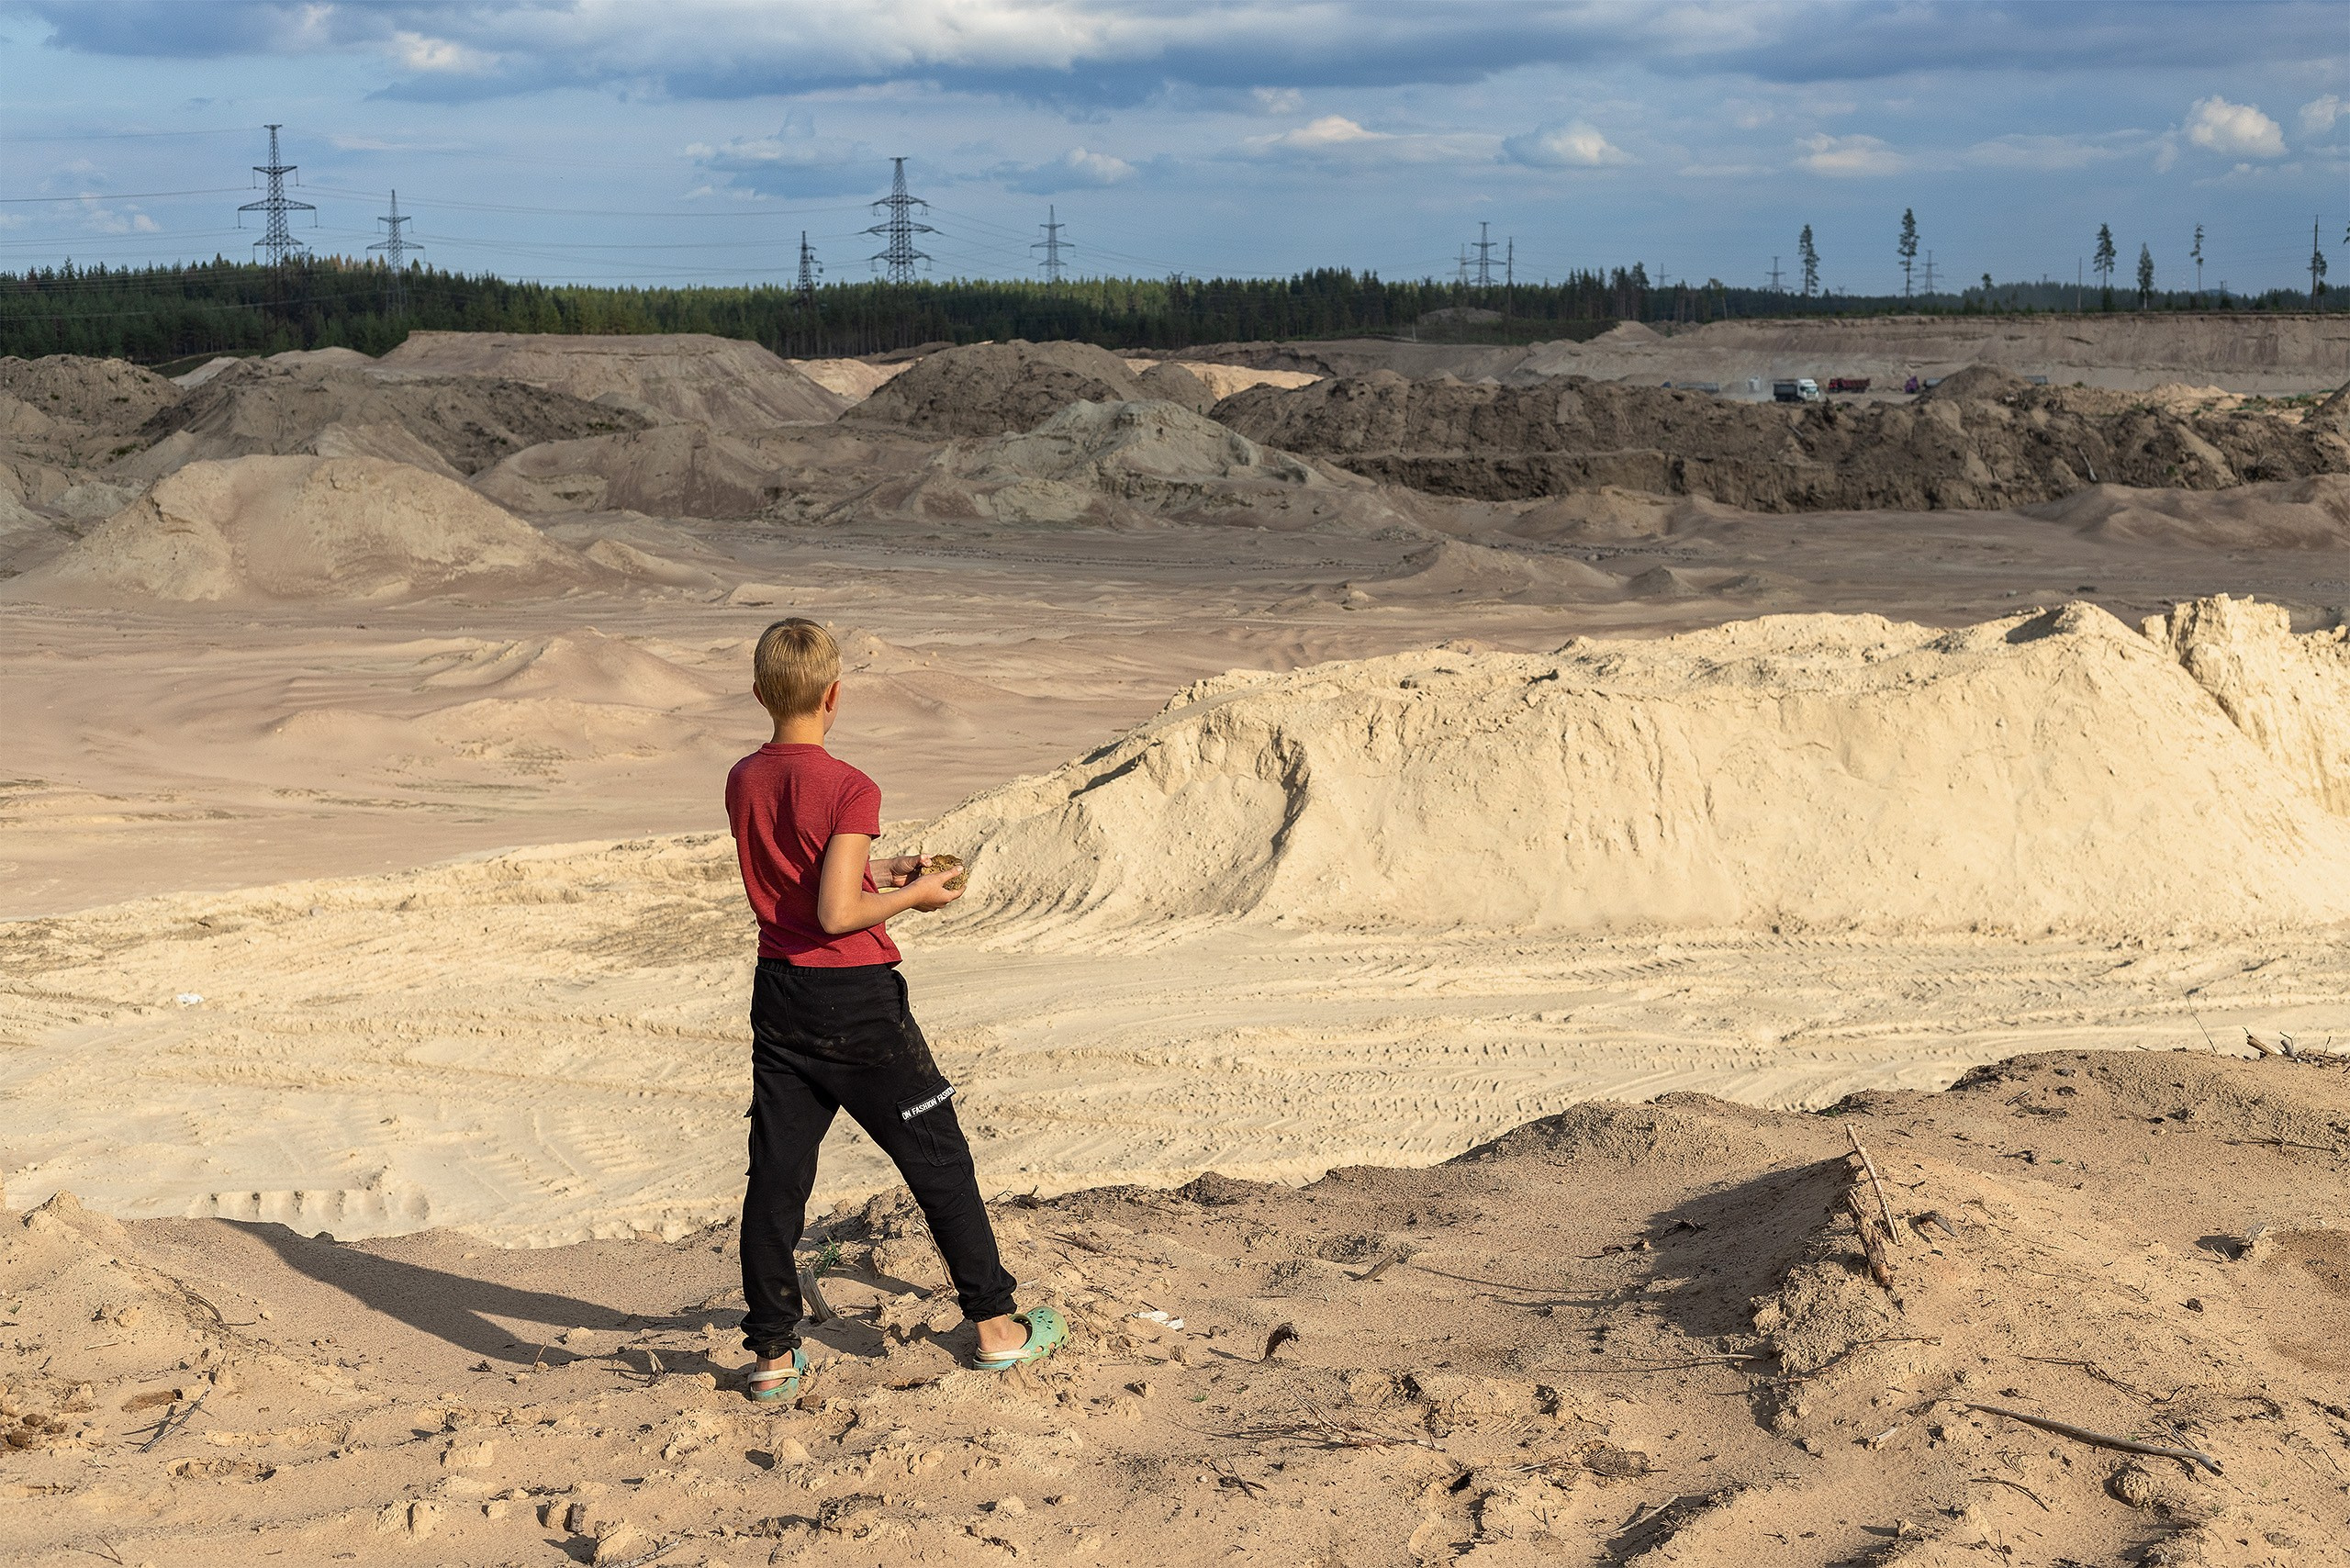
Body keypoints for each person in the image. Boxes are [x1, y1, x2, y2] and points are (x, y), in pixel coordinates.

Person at [724, 618, 1066, 1401]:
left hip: (779, 992)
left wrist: (877, 864)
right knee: (937, 1155)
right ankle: (996, 1328)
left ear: (758, 694)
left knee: (777, 1176)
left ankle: (773, 1357)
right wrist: (915, 893)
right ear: (836, 695)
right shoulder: (851, 785)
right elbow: (841, 913)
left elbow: (799, 874)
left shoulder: (744, 776)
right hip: (855, 1001)